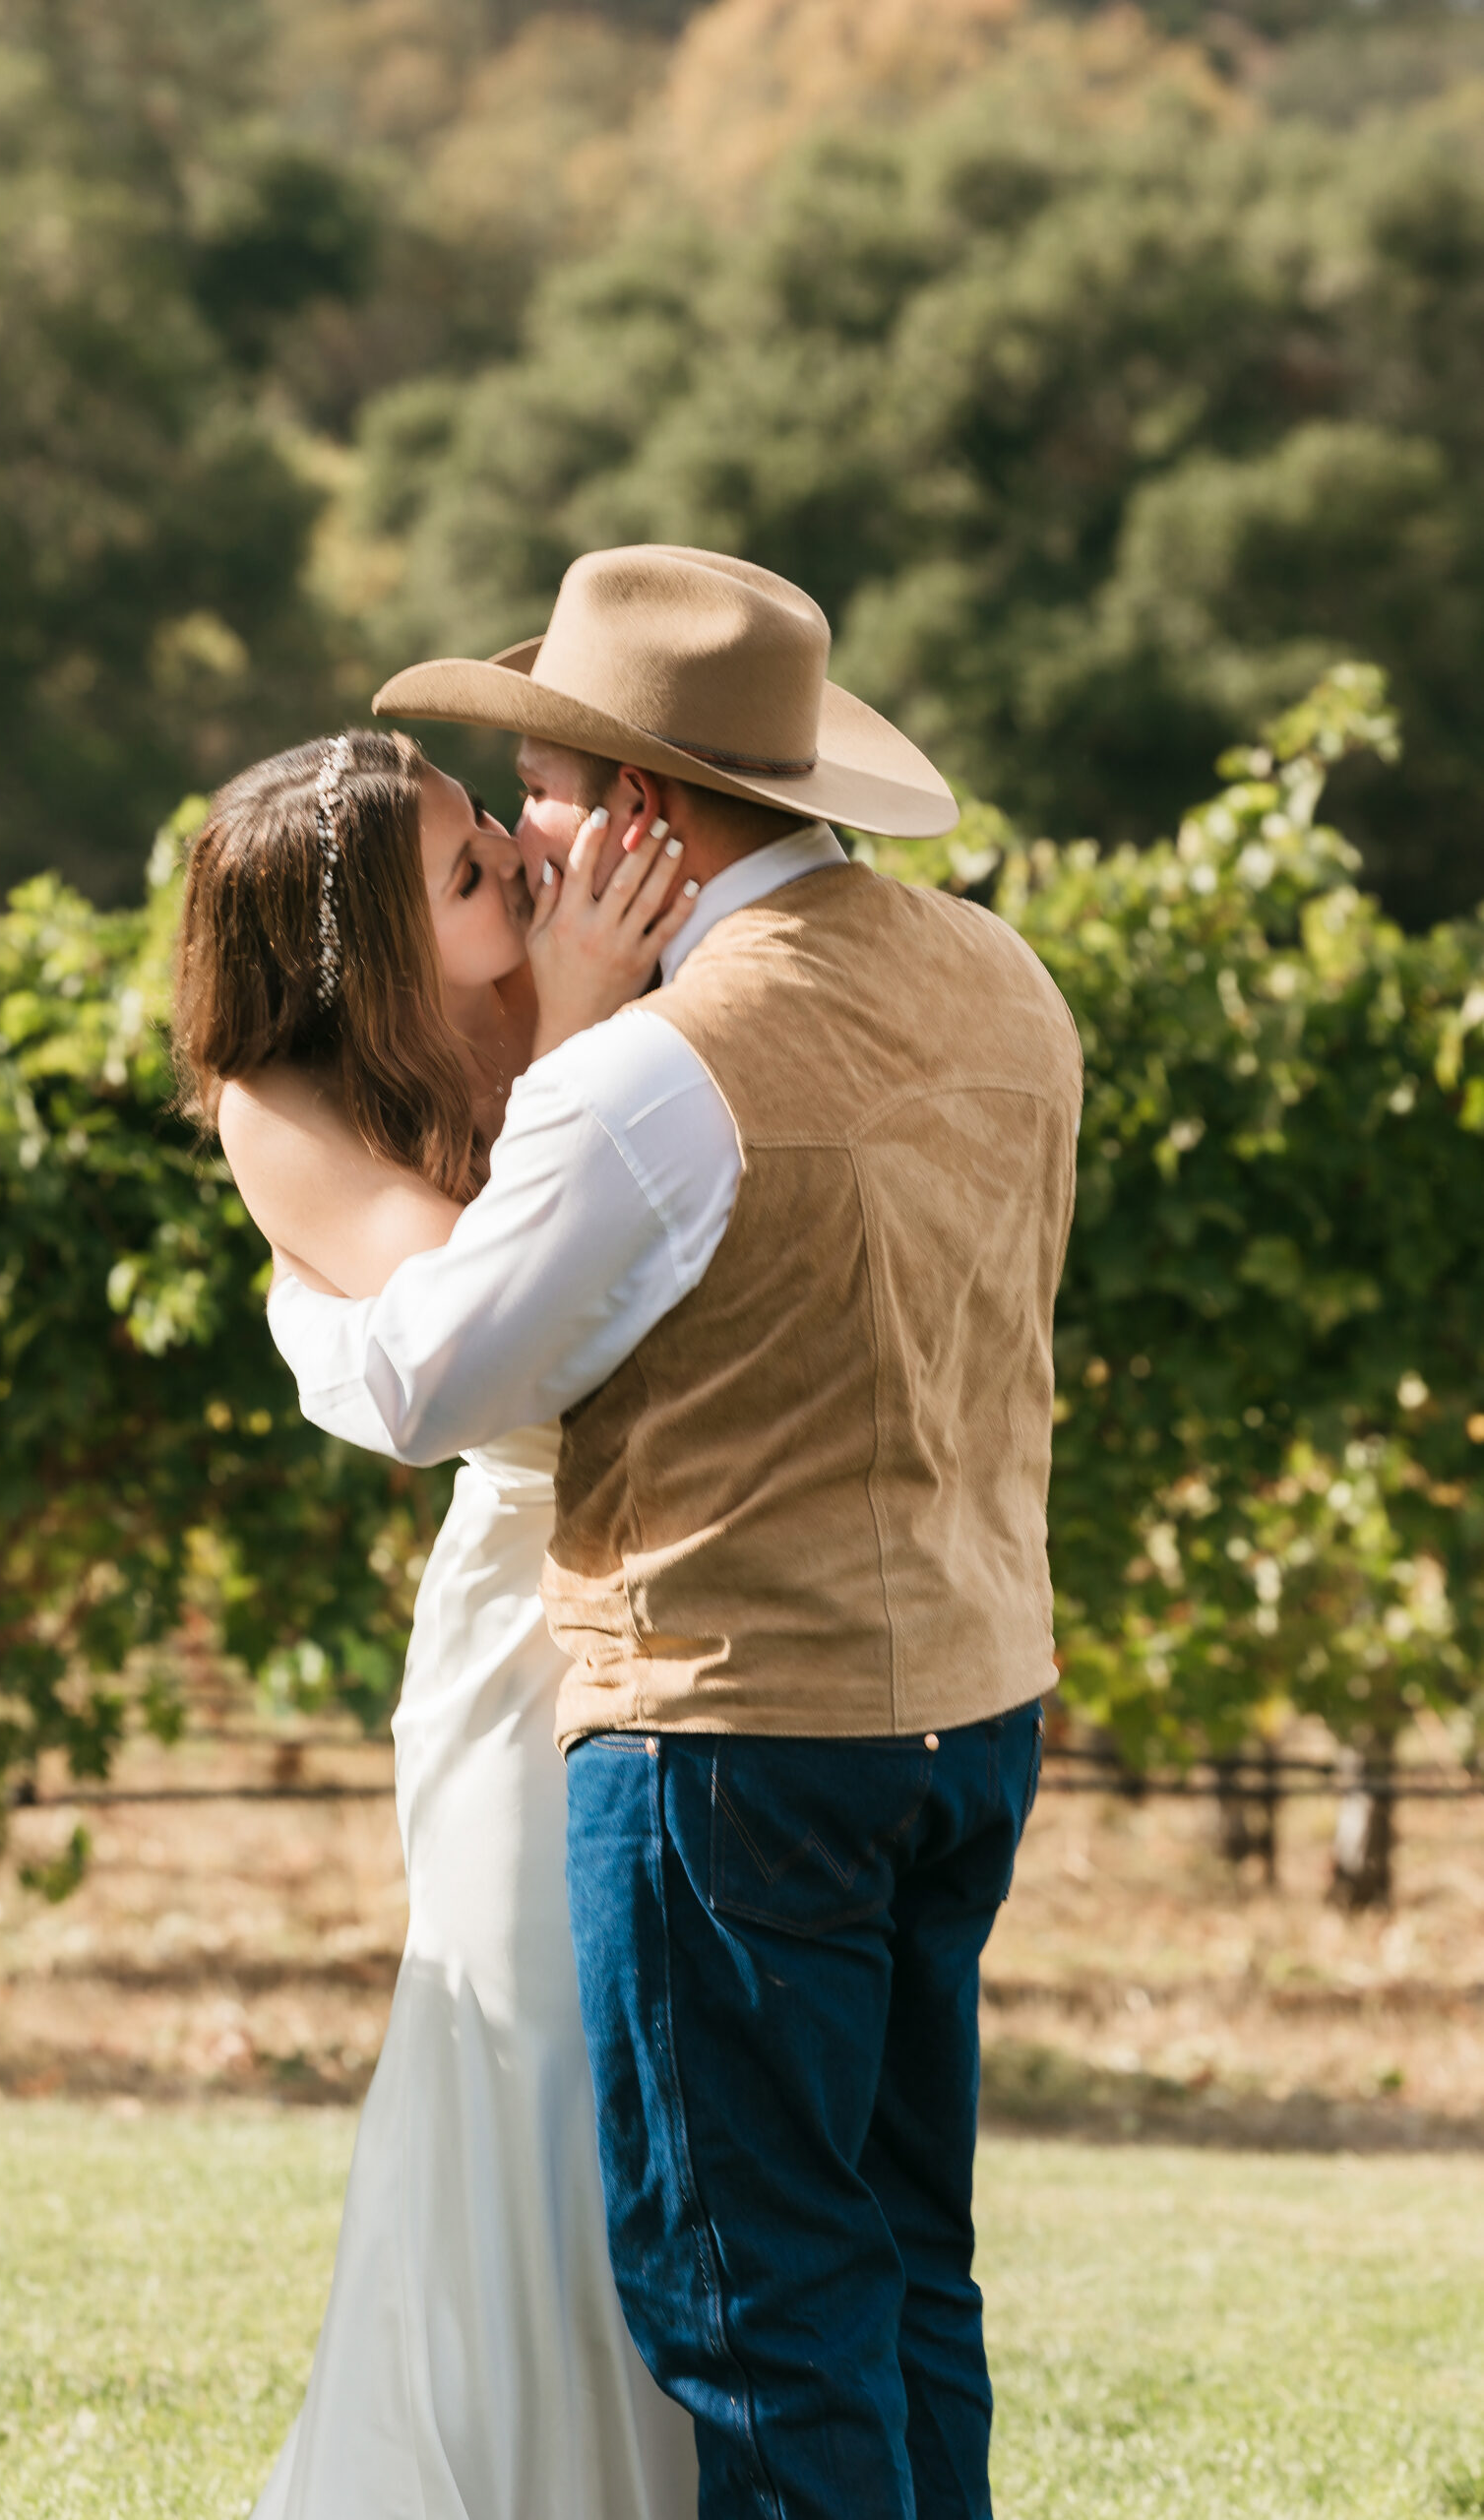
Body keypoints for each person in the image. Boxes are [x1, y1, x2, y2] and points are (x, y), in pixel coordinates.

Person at [268, 544, 1084, 2520]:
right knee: (903, 2269)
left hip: (729, 1737)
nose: (528, 824)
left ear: (636, 804)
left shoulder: (649, 1073)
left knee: (749, 2300)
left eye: (541, 780)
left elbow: (425, 1386)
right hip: (969, 1707)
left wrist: (301, 1286)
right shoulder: (1001, 977)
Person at [170, 725, 703, 2520]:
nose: (523, 872)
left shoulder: (604, 976)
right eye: (471, 880)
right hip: (522, 1642)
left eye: (489, 832)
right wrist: (576, 1024)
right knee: (535, 2087)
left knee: (667, 2109)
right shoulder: (288, 1109)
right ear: (375, 965)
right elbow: (487, 1333)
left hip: (697, 1601)